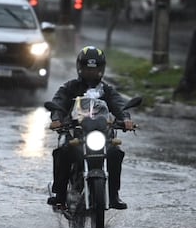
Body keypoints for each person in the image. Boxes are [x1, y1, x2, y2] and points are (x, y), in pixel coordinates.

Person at [47, 46, 135, 210]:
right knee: (63, 152)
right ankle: (59, 195)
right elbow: (58, 103)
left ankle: (114, 195)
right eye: (87, 68)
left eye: (95, 69)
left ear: (102, 69)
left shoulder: (107, 90)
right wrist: (57, 119)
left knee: (115, 153)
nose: (91, 73)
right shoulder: (70, 87)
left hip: (102, 134)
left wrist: (126, 119)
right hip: (76, 134)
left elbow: (119, 105)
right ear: (80, 68)